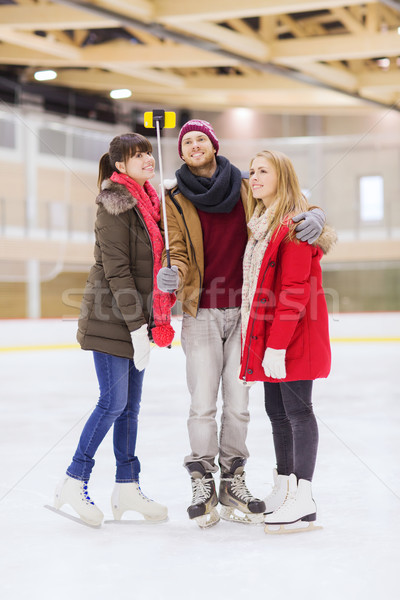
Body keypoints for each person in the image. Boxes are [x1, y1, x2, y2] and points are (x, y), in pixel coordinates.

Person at [156, 120, 326, 528]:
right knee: (202, 402)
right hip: (201, 311)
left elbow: (290, 200)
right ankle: (202, 476)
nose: (194, 145)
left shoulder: (247, 185)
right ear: (181, 153)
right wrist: (173, 275)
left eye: (201, 139)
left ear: (214, 145)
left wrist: (317, 215)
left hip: (247, 312)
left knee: (238, 403)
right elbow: (176, 250)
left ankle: (233, 477)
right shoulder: (175, 198)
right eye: (187, 142)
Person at [51, 132, 175, 527]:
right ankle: (74, 479)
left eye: (149, 153)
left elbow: (148, 267)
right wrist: (139, 329)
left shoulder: (152, 205)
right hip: (112, 319)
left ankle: (126, 486)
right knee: (113, 403)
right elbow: (118, 271)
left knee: (131, 409)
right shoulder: (114, 206)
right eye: (138, 156)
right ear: (120, 165)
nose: (147, 160)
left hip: (136, 317)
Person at [239, 149, 336, 534]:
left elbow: (294, 291)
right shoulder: (261, 224)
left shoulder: (295, 226)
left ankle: (304, 495)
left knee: (298, 413)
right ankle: (285, 485)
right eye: (252, 171)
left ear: (283, 177)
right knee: (277, 414)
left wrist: (276, 346)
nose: (255, 177)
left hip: (293, 338)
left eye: (264, 171)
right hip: (270, 337)